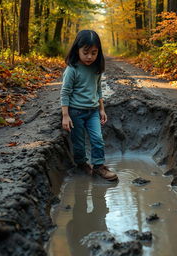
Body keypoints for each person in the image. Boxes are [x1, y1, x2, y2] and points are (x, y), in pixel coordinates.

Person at [60, 30, 118, 181]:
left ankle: (98, 166)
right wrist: (65, 116)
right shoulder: (72, 69)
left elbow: (98, 89)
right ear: (77, 50)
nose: (90, 57)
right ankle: (81, 164)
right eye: (85, 52)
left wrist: (101, 109)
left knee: (97, 139)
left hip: (92, 112)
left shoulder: (96, 68)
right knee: (78, 142)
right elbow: (65, 92)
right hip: (75, 112)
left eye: (94, 52)